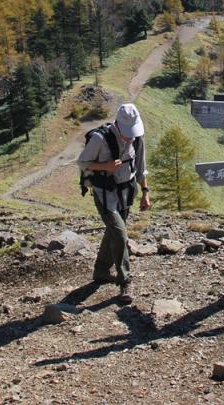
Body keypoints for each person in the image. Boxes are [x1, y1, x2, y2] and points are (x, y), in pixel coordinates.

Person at [77, 103, 151, 304]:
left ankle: (101, 270)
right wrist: (106, 166)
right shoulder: (99, 139)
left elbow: (141, 167)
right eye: (127, 133)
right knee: (120, 233)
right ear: (118, 124)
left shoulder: (137, 139)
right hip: (104, 193)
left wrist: (145, 192)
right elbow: (82, 162)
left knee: (114, 231)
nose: (130, 137)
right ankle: (125, 280)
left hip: (126, 192)